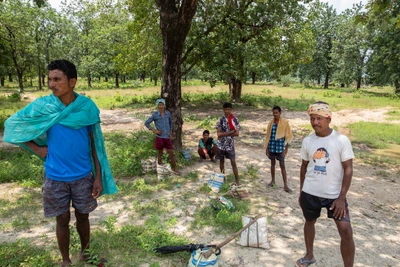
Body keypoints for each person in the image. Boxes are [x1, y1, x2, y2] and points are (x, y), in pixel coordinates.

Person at [4, 59, 118, 267]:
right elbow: (13, 126)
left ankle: (86, 254)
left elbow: (96, 146)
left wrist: (98, 177)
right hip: (55, 176)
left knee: (83, 217)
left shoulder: (86, 108)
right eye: (49, 79)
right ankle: (65, 261)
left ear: (72, 81)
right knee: (62, 219)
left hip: (83, 175)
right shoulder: (44, 106)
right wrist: (36, 148)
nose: (51, 84)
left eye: (57, 79)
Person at [296, 102, 355, 267]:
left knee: (346, 231)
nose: (315, 122)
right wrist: (301, 192)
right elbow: (304, 167)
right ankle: (309, 256)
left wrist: (341, 198)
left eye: (319, 118)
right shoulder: (308, 141)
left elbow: (348, 170)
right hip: (310, 192)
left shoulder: (341, 140)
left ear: (329, 119)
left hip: (334, 196)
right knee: (309, 222)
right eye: (312, 118)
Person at [145, 98, 179, 174]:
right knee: (160, 152)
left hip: (167, 137)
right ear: (157, 106)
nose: (161, 106)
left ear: (164, 105)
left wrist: (170, 132)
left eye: (162, 105)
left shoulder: (168, 114)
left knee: (171, 152)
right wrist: (154, 130)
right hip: (160, 137)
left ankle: (175, 168)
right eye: (159, 105)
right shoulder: (155, 115)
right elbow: (146, 123)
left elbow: (170, 122)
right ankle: (159, 165)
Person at [264, 105, 293, 193]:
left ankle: (285, 185)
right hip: (272, 146)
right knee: (272, 164)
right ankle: (273, 181)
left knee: (282, 166)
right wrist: (267, 148)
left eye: (277, 113)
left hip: (280, 148)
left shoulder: (285, 123)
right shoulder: (271, 123)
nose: (275, 114)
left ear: (280, 113)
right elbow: (268, 136)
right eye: (274, 113)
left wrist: (286, 149)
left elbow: (288, 136)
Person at [215, 102, 240, 185]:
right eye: (225, 109)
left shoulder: (234, 120)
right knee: (221, 162)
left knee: (233, 162)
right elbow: (219, 134)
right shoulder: (220, 120)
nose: (227, 111)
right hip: (221, 145)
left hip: (230, 145)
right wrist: (231, 132)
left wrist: (224, 133)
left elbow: (237, 134)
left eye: (229, 109)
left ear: (231, 110)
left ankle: (237, 181)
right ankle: (223, 179)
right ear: (223, 110)